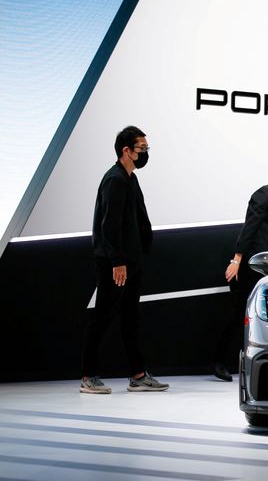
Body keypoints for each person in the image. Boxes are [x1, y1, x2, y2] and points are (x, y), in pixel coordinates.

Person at [80, 126, 169, 393]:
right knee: (103, 317)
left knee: (131, 317)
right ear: (126, 151)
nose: (145, 154)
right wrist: (118, 262)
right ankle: (88, 376)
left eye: (146, 149)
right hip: (114, 263)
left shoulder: (130, 178)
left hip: (131, 260)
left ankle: (138, 375)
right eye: (142, 149)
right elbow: (109, 226)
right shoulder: (115, 180)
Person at [213, 153, 268, 381]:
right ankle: (220, 362)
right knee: (238, 314)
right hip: (251, 266)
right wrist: (236, 260)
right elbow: (249, 228)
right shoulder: (264, 195)